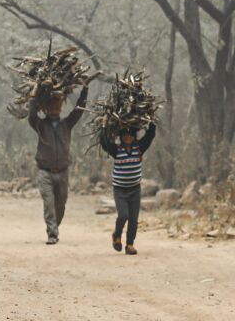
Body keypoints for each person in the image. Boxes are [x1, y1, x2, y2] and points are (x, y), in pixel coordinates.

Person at [28, 84, 88, 244]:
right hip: (44, 172)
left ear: (60, 108)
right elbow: (31, 117)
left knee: (60, 205)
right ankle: (52, 234)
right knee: (49, 203)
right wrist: (34, 97)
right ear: (46, 108)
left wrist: (85, 91)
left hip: (62, 171)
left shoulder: (66, 125)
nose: (55, 110)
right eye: (51, 107)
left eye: (57, 107)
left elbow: (79, 110)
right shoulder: (41, 125)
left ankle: (54, 226)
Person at [100, 122, 156, 254]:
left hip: (135, 189)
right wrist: (103, 126)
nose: (128, 138)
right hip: (120, 189)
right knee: (123, 215)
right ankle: (117, 235)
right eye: (125, 135)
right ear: (121, 136)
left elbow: (150, 135)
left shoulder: (139, 147)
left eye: (130, 135)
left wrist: (152, 122)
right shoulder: (116, 150)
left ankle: (129, 244)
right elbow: (104, 143)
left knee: (133, 219)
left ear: (134, 136)